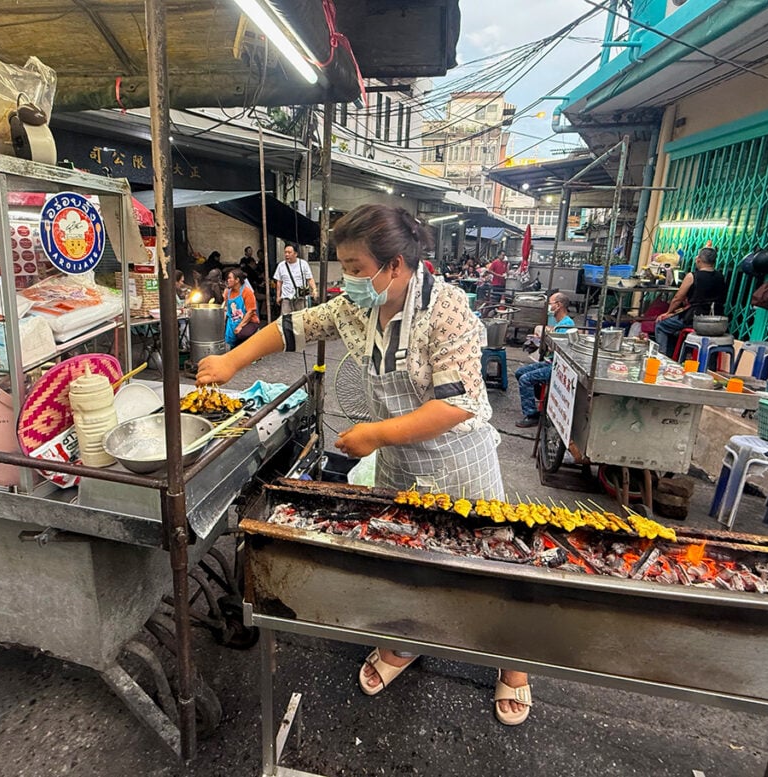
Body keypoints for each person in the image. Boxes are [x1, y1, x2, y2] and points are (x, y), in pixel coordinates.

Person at [196, 203, 532, 726]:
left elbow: (457, 404)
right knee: (402, 561)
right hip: (399, 459)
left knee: (488, 565)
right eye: (343, 267)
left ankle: (513, 665)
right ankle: (405, 643)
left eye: (354, 268)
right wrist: (231, 360)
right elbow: (293, 328)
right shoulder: (357, 307)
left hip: (457, 456)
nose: (347, 280)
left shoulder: (448, 311)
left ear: (394, 265)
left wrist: (375, 434)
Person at [515, 292, 576, 428]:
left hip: (558, 366)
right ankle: (540, 402)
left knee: (526, 378)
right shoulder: (559, 323)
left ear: (559, 305)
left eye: (550, 303)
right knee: (520, 373)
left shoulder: (567, 325)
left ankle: (532, 415)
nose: (549, 306)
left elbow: (558, 350)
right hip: (550, 361)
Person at [654, 246, 728, 357]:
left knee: (661, 324)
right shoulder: (720, 276)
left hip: (696, 319)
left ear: (698, 260)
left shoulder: (692, 276)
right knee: (676, 329)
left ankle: (661, 357)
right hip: (716, 320)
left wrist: (668, 313)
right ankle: (683, 354)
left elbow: (677, 298)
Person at [273, 244, 318, 315]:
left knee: (301, 318)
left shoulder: (303, 264)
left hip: (300, 297)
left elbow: (309, 278)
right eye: (285, 252)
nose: (286, 254)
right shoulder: (281, 265)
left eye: (289, 252)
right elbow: (279, 281)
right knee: (286, 319)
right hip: (286, 297)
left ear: (295, 254)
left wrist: (314, 289)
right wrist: (278, 296)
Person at [222, 268, 260, 347]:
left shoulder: (247, 292)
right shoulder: (227, 292)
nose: (227, 280)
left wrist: (240, 326)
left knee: (241, 335)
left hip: (249, 321)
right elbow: (225, 308)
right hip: (233, 320)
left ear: (237, 280)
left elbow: (250, 312)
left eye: (230, 278)